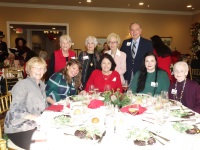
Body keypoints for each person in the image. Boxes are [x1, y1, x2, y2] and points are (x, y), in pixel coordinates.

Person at [4, 57, 48, 150]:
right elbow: (16, 111)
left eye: (41, 68)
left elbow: (44, 108)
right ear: (29, 69)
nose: (39, 70)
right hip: (18, 129)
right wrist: (38, 119)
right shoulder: (22, 85)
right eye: (35, 67)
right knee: (47, 144)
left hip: (35, 125)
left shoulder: (41, 85)